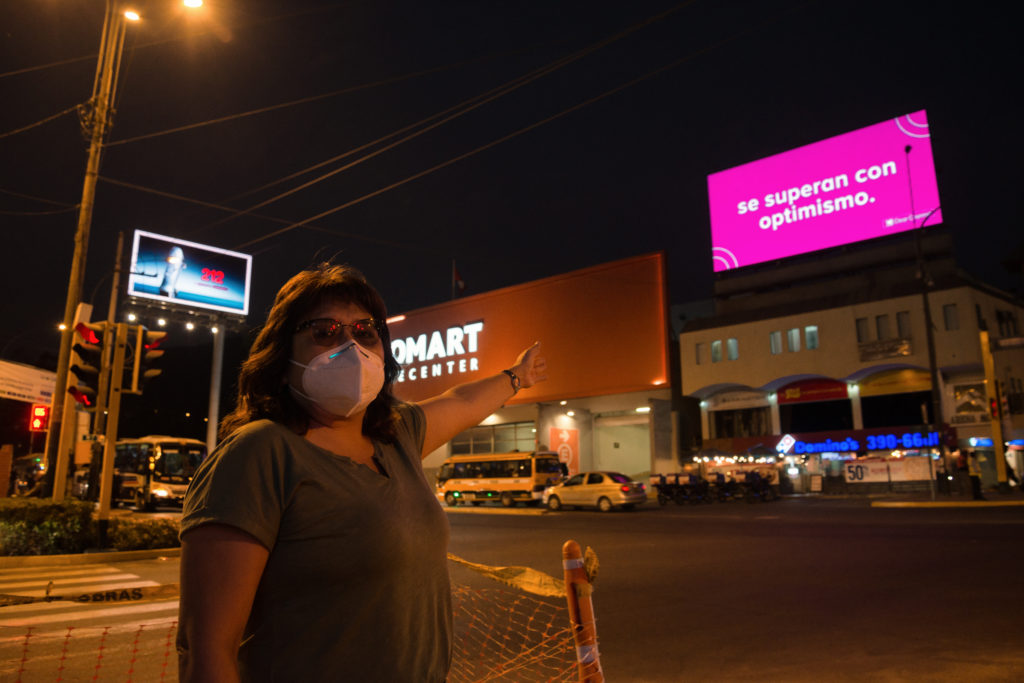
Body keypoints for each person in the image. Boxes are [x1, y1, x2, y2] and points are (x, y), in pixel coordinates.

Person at [176, 263, 547, 683]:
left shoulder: (397, 436)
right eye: (325, 331)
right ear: (282, 358)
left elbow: (460, 401)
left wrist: (518, 376)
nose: (350, 345)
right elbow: (204, 649)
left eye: (364, 331)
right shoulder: (259, 453)